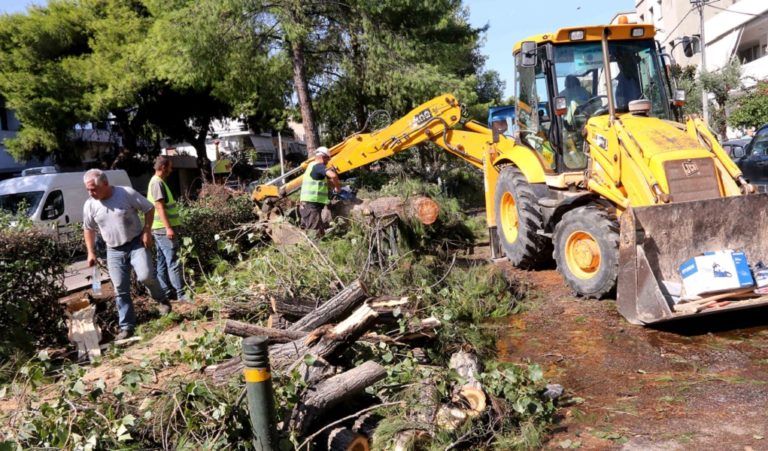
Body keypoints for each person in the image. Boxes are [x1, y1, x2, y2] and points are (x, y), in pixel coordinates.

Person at [83, 169, 171, 340]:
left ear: (105, 184)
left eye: (93, 189)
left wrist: (147, 231)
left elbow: (149, 208)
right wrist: (91, 252)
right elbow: (88, 228)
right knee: (120, 290)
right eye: (88, 190)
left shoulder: (126, 193)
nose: (91, 193)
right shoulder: (90, 205)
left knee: (145, 276)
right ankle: (127, 326)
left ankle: (162, 300)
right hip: (113, 250)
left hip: (136, 243)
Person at [147, 156, 188, 303]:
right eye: (170, 167)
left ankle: (166, 292)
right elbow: (159, 206)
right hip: (163, 229)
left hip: (159, 229)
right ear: (163, 167)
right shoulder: (157, 183)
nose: (171, 170)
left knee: (162, 261)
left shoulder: (157, 182)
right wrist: (169, 228)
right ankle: (181, 294)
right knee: (173, 261)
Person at [299, 146, 341, 235]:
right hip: (311, 203)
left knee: (318, 229)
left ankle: (317, 246)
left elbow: (326, 181)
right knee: (314, 232)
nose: (328, 161)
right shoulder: (318, 166)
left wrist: (335, 185)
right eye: (327, 159)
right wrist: (338, 188)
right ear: (322, 157)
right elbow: (333, 176)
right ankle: (313, 248)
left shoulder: (312, 166)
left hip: (310, 203)